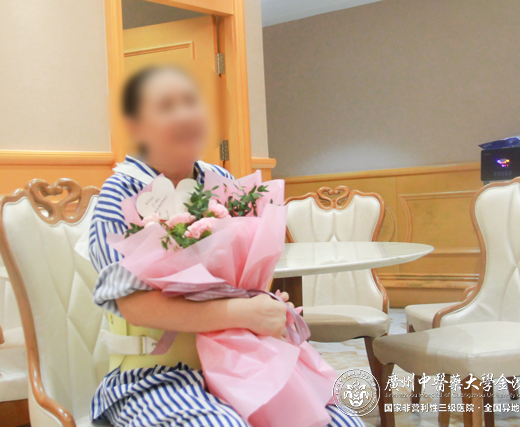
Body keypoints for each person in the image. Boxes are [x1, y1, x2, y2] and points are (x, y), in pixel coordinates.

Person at [89, 66, 364, 427]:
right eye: (166, 106)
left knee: (341, 421)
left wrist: (263, 303)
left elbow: (241, 274)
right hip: (157, 374)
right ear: (135, 126)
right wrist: (243, 313)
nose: (185, 115)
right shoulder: (118, 195)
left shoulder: (223, 183)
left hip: (243, 360)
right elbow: (133, 306)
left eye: (192, 102)